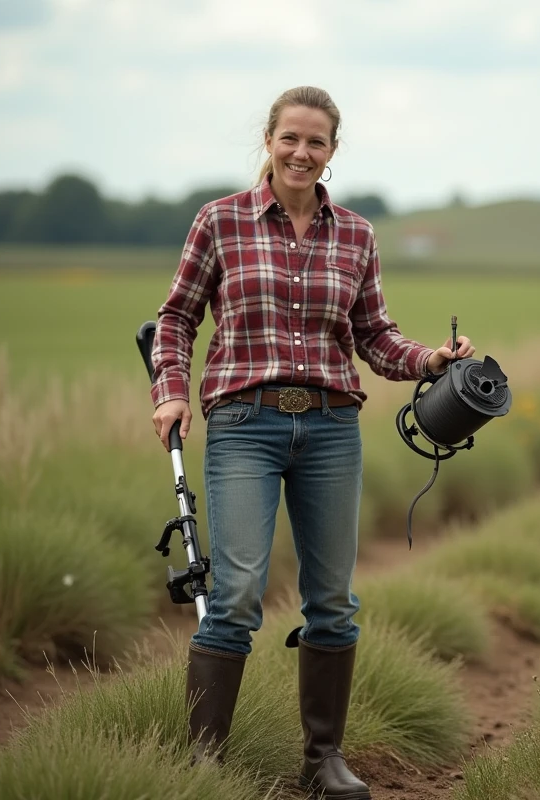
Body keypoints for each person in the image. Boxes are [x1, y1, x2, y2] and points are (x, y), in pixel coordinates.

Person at [148, 85, 474, 799]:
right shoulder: (220, 220)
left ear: (332, 151)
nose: (302, 152)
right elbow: (176, 318)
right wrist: (171, 389)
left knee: (333, 600)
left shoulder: (356, 235)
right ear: (269, 141)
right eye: (290, 138)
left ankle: (322, 761)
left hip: (330, 429)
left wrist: (431, 360)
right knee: (237, 593)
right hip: (244, 425)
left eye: (316, 142)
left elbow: (374, 336)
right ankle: (203, 768)